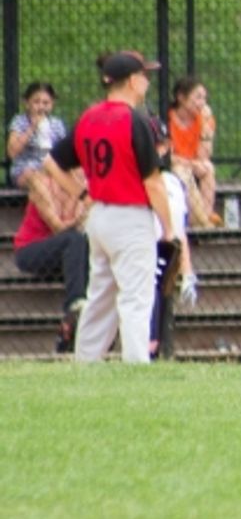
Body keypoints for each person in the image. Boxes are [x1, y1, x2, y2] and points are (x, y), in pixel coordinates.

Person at [45, 51, 174, 364]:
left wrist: (81, 193)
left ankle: (86, 362)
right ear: (131, 81)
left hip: (100, 216)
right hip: (129, 218)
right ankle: (136, 365)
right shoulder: (134, 120)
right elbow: (154, 183)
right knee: (135, 297)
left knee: (101, 296)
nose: (146, 81)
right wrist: (168, 227)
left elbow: (50, 162)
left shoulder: (89, 117)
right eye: (144, 76)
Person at [13, 168, 89, 352]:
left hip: (65, 253)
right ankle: (75, 303)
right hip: (31, 250)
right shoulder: (41, 184)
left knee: (85, 243)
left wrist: (78, 197)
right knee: (75, 239)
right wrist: (79, 205)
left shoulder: (82, 186)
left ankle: (72, 328)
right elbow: (58, 226)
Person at [147, 117, 199, 357]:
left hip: (159, 249)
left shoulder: (170, 183)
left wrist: (187, 271)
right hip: (130, 248)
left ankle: (153, 346)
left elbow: (178, 233)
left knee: (156, 276)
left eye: (157, 144)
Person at [7, 82, 75, 225]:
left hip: (51, 169)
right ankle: (55, 222)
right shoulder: (20, 122)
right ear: (27, 103)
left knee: (72, 177)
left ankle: (68, 219)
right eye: (36, 102)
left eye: (46, 102)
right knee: (36, 178)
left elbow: (65, 151)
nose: (41, 106)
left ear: (52, 104)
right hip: (26, 169)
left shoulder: (56, 124)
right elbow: (12, 152)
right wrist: (32, 127)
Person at [168, 75, 221, 227]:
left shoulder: (204, 119)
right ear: (181, 98)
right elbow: (167, 156)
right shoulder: (167, 119)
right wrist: (190, 164)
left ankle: (206, 214)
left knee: (208, 168)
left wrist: (205, 127)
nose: (202, 103)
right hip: (174, 165)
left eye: (204, 98)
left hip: (192, 162)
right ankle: (202, 222)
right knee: (182, 173)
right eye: (198, 98)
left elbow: (203, 156)